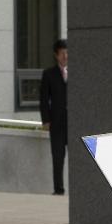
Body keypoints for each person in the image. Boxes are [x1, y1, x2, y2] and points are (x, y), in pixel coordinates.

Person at [39, 38, 68, 195]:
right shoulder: (49, 74)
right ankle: (58, 190)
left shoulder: (77, 71)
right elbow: (43, 99)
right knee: (57, 158)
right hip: (56, 123)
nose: (66, 56)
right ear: (56, 55)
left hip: (73, 123)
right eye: (62, 53)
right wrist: (46, 120)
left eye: (67, 52)